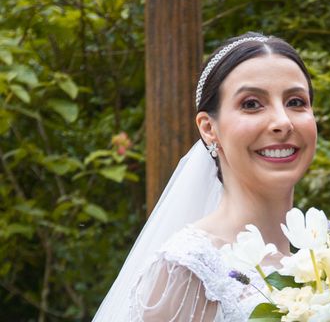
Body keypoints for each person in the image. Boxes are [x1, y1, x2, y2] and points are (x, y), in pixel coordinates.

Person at [93, 32, 317, 321]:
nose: (283, 122)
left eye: (296, 102)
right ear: (208, 128)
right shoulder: (190, 270)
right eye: (251, 104)